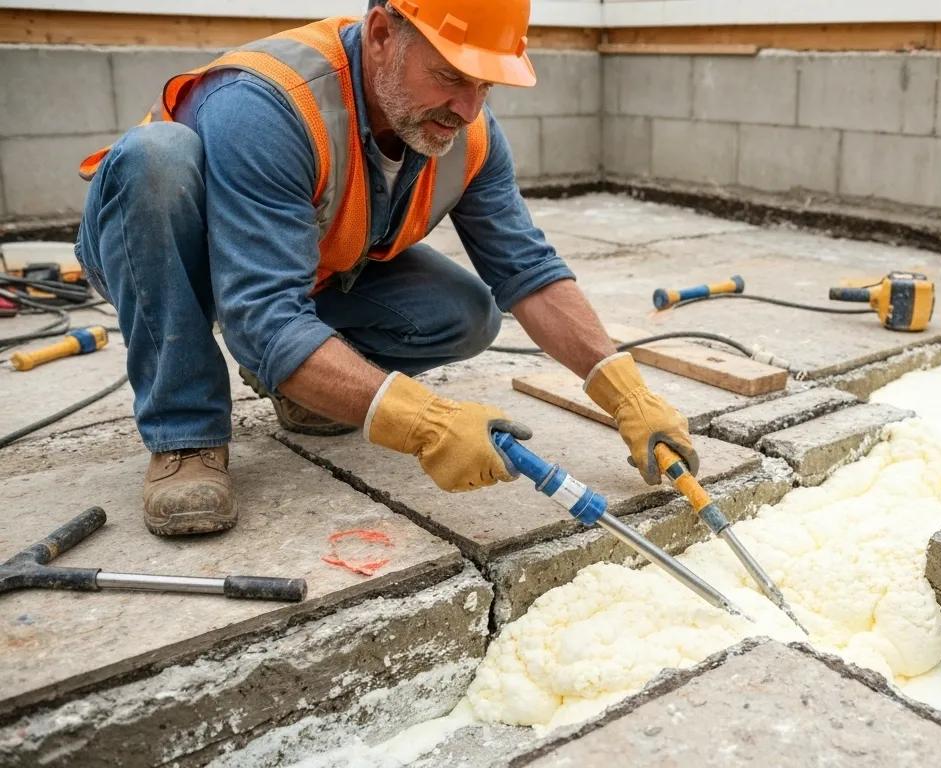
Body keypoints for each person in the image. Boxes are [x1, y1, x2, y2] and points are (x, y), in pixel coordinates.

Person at [74, 0, 696, 536]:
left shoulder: (465, 132)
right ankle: (185, 434)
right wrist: (423, 424)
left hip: (302, 266)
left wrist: (624, 391)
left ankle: (307, 388)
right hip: (164, 255)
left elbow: (527, 268)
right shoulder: (269, 102)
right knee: (156, 157)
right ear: (380, 35)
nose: (468, 107)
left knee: (465, 313)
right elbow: (259, 315)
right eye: (451, 75)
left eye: (486, 85)